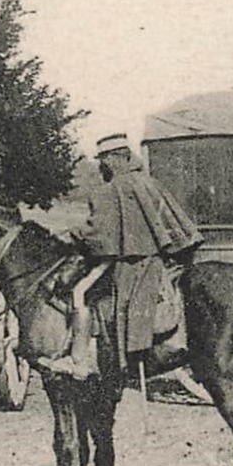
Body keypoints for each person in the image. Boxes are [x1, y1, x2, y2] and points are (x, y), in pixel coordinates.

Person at [40, 133, 204, 379]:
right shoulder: (148, 183)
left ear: (113, 159)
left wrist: (71, 233)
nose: (101, 167)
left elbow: (99, 235)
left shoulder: (109, 190)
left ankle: (80, 360)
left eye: (103, 161)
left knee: (78, 293)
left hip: (123, 260)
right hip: (156, 260)